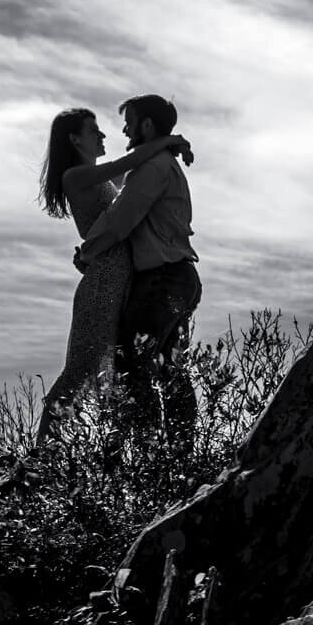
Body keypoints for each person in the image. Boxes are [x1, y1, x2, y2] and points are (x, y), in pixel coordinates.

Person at [35, 106, 191, 441]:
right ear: (74, 139)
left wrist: (165, 145)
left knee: (121, 365)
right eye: (94, 130)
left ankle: (126, 449)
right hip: (103, 280)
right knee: (80, 370)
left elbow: (133, 177)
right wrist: (170, 139)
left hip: (120, 278)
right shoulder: (75, 176)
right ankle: (41, 451)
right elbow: (129, 164)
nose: (103, 134)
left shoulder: (100, 178)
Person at [73, 94, 202, 433]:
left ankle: (150, 453)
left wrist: (88, 253)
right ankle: (178, 448)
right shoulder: (160, 164)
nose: (125, 128)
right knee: (168, 367)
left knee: (131, 359)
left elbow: (120, 219)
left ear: (146, 125)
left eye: (129, 120)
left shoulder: (154, 168)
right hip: (178, 278)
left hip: (164, 280)